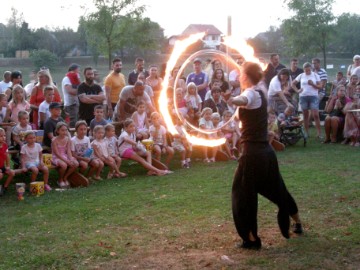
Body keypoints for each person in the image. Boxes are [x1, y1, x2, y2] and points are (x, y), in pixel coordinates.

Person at [230, 61, 303, 250]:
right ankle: (297, 221)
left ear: (246, 76)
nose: (239, 77)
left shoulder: (251, 94)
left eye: (241, 74)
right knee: (276, 189)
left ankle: (251, 239)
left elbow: (243, 100)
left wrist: (232, 100)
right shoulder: (261, 90)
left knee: (242, 195)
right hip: (266, 153)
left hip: (252, 155)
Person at [291, 62, 322, 138]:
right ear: (303, 69)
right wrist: (297, 91)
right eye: (305, 70)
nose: (307, 72)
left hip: (313, 96)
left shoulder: (315, 75)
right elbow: (292, 84)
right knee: (305, 115)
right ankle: (306, 133)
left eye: (308, 70)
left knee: (315, 115)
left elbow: (320, 86)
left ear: (311, 69)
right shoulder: (301, 75)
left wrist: (313, 84)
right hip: (303, 97)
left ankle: (319, 133)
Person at [52, 122, 79, 188]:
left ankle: (65, 177)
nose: (64, 132)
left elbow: (68, 151)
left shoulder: (68, 139)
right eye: (62, 130)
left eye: (66, 130)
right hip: (56, 157)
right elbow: (56, 154)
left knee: (75, 163)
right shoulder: (54, 140)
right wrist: (67, 161)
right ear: (58, 131)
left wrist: (70, 159)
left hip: (65, 155)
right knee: (64, 165)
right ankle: (60, 179)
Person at [62, 63, 81, 128]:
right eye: (78, 70)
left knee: (77, 122)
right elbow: (70, 91)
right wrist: (81, 91)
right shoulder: (66, 79)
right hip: (70, 105)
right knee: (72, 123)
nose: (79, 72)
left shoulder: (76, 78)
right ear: (74, 70)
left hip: (76, 104)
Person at [0, 127, 15, 194]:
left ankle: (4, 187)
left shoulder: (5, 145)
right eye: (1, 136)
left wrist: (8, 166)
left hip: (2, 166)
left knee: (12, 172)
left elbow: (7, 156)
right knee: (0, 175)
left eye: (4, 136)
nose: (3, 138)